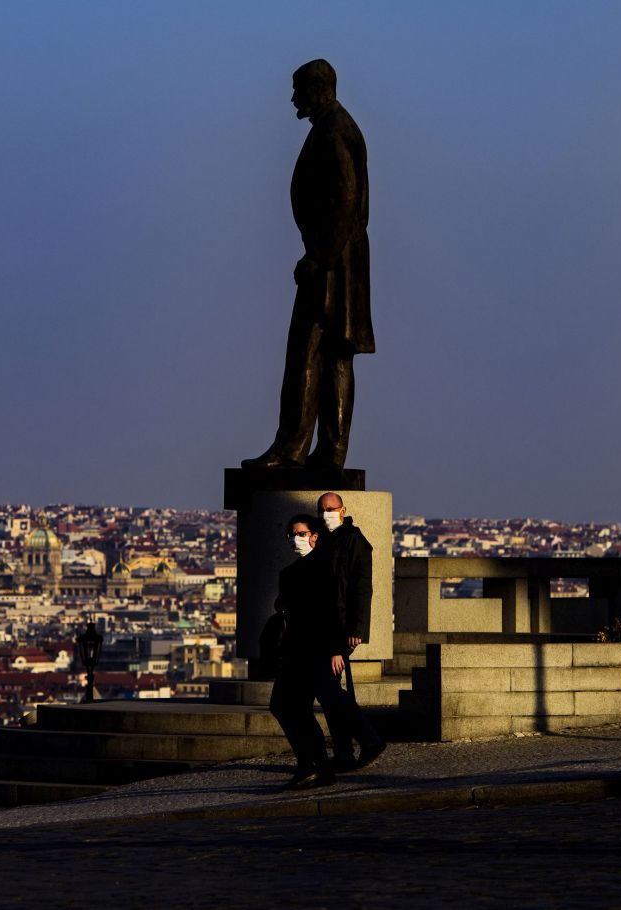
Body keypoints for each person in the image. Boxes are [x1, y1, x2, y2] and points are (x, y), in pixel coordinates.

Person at [243, 59, 372, 470]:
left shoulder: (334, 131)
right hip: (340, 261)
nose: (293, 98)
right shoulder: (337, 127)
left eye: (298, 89)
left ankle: (292, 449)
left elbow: (345, 201)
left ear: (318, 89)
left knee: (308, 351)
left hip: (331, 264)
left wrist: (317, 258)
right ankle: (329, 453)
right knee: (334, 353)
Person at [268, 514, 344, 789]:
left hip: (317, 651)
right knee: (287, 706)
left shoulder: (326, 568)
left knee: (291, 706)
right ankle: (316, 765)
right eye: (292, 533)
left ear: (315, 536)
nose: (295, 538)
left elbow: (334, 611)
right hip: (294, 650)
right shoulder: (289, 573)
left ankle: (312, 765)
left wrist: (337, 650)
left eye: (301, 533)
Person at [316, 491, 384, 770]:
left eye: (331, 509)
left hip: (342, 628)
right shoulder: (321, 539)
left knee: (329, 689)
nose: (326, 513)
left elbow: (362, 588)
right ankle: (345, 751)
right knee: (330, 690)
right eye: (322, 509)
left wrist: (357, 628)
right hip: (323, 625)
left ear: (343, 510)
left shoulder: (354, 540)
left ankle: (366, 740)